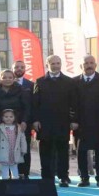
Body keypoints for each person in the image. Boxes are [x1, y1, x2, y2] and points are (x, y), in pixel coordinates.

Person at [32, 55, 78, 187]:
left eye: (58, 63)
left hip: (62, 122)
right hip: (44, 123)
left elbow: (74, 103)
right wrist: (35, 120)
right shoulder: (40, 81)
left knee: (62, 150)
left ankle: (63, 176)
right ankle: (46, 177)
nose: (56, 66)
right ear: (47, 65)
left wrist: (74, 120)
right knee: (45, 151)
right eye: (53, 63)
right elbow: (35, 103)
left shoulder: (69, 82)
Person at [73, 55, 99, 187]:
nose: (89, 65)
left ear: (95, 65)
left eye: (91, 63)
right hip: (80, 124)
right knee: (81, 152)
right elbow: (71, 104)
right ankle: (84, 177)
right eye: (86, 63)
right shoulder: (74, 82)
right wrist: (73, 120)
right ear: (81, 66)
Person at [11, 60, 35, 178]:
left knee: (24, 149)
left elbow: (32, 105)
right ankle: (12, 173)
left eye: (22, 67)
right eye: (17, 67)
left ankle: (25, 173)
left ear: (25, 69)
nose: (19, 69)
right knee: (10, 149)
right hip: (8, 123)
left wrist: (27, 121)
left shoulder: (31, 85)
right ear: (12, 69)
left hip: (25, 123)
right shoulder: (5, 83)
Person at [0, 109, 28, 179]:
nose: (8, 118)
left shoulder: (19, 127)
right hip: (4, 151)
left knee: (14, 167)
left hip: (14, 151)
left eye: (11, 117)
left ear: (14, 118)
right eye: (6, 117)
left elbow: (23, 140)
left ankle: (16, 179)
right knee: (5, 168)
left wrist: (23, 149)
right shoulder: (0, 127)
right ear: (2, 118)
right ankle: (5, 180)